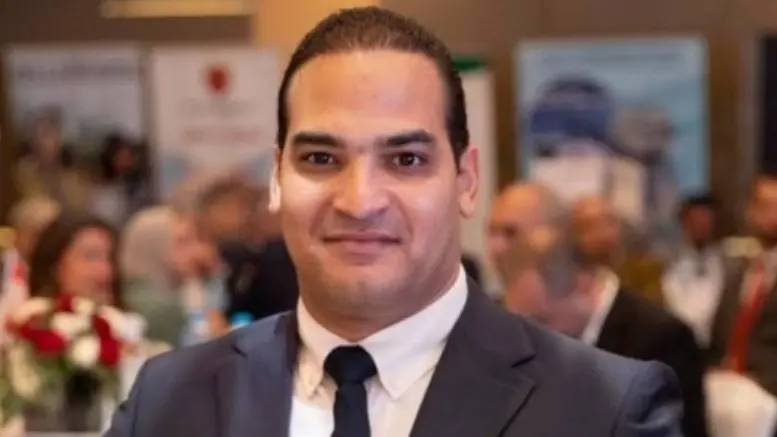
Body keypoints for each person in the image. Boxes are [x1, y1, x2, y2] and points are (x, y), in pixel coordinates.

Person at [105, 7, 682, 437]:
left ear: (466, 180)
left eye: (406, 160)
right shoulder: (170, 400)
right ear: (277, 178)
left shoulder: (601, 409)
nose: (360, 201)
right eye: (321, 159)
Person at [708, 172, 777, 398]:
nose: (772, 214)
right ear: (749, 211)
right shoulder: (739, 274)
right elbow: (719, 340)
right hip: (726, 392)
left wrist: (758, 382)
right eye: (764, 205)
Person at [663, 194, 726, 348]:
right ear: (684, 222)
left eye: (706, 220)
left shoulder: (727, 264)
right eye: (695, 220)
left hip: (714, 344)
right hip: (674, 342)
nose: (701, 226)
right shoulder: (666, 263)